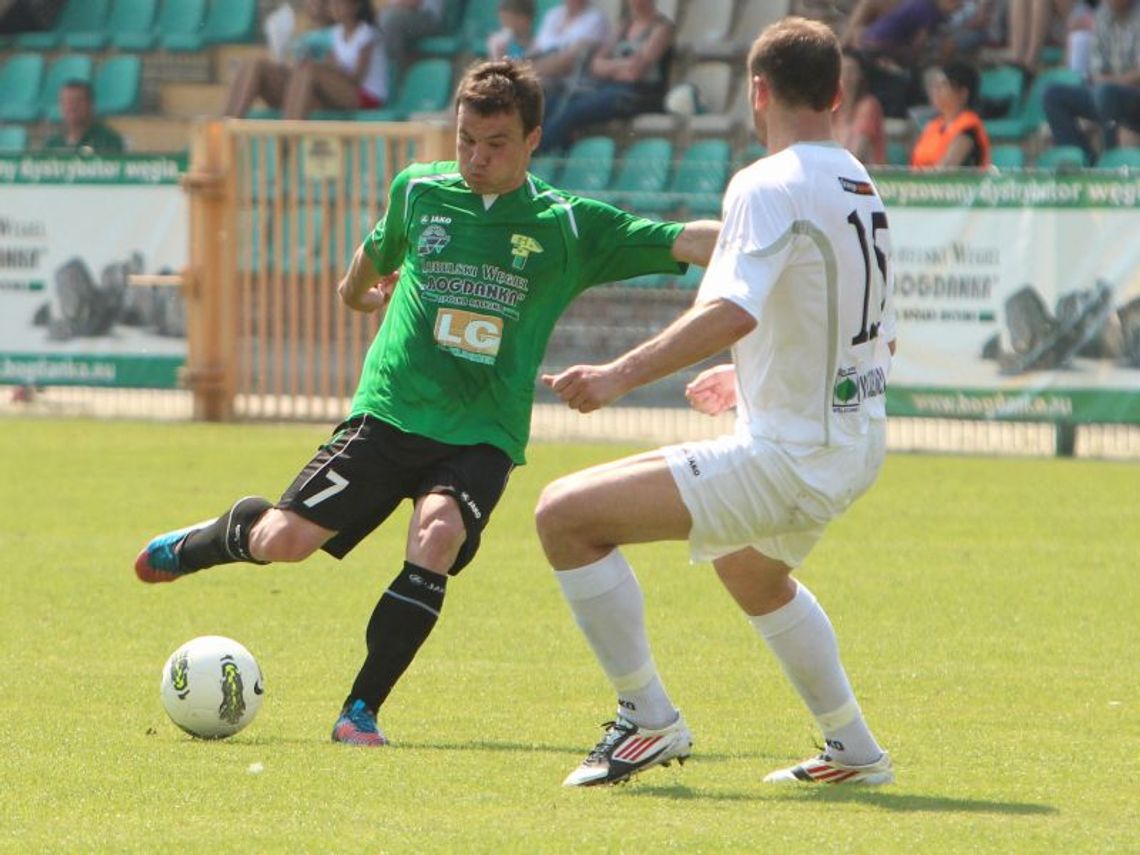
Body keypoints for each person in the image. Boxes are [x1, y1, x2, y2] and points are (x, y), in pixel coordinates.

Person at [134, 58, 720, 747]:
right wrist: (357, 294)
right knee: (282, 543)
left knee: (437, 535)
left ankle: (360, 710)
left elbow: (682, 240)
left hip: (484, 431)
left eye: (495, 144)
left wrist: (772, 243)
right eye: (466, 140)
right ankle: (221, 534)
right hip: (391, 410)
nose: (476, 158)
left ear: (533, 140)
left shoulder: (566, 224)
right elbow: (374, 253)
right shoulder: (419, 190)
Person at [535, 15, 897, 789]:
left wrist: (617, 375)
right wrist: (750, 378)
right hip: (855, 442)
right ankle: (855, 750)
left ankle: (647, 718)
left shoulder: (767, 182)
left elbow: (732, 310)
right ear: (837, 94)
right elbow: (865, 329)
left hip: (791, 454)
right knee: (749, 570)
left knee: (563, 515)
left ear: (756, 92)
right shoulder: (861, 185)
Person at [539, 0, 675, 152]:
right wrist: (623, 66)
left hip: (638, 94)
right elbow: (595, 66)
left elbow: (636, 72)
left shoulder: (661, 27)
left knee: (573, 111)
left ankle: (535, 153)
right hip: (610, 87)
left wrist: (610, 68)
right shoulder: (624, 26)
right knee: (553, 103)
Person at [223, 0, 387, 119]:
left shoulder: (367, 34)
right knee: (254, 64)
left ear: (356, 5)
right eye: (332, 3)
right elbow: (333, 67)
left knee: (308, 69)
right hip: (335, 93)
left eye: (339, 2)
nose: (334, 6)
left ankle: (287, 137)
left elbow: (356, 79)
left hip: (364, 98)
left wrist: (326, 69)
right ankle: (226, 125)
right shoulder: (336, 34)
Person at [1043, 0, 1140, 164]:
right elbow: (1096, 70)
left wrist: (1110, 82)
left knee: (1106, 93)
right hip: (1107, 93)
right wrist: (1106, 82)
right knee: (1053, 95)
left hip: (1134, 96)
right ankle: (1083, 161)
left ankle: (1111, 162)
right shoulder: (1103, 14)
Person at [911, 60, 992, 167]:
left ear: (962, 93)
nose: (935, 91)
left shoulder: (968, 129)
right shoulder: (933, 126)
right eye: (934, 85)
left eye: (943, 85)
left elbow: (946, 169)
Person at [527, 0, 612, 96]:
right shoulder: (553, 14)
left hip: (565, 87)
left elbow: (569, 60)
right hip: (539, 77)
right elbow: (535, 48)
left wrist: (526, 72)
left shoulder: (595, 20)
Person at [42, 79, 125, 155]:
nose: (71, 106)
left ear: (91, 104)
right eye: (66, 101)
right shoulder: (53, 143)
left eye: (78, 100)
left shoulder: (107, 141)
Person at [833, 50, 888, 164]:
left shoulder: (869, 106)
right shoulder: (829, 109)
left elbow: (855, 154)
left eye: (851, 71)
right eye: (841, 71)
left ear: (860, 75)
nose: (846, 76)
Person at [379, 0, 445, 85]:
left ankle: (394, 79)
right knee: (382, 19)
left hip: (429, 18)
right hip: (408, 13)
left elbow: (414, 2)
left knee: (389, 20)